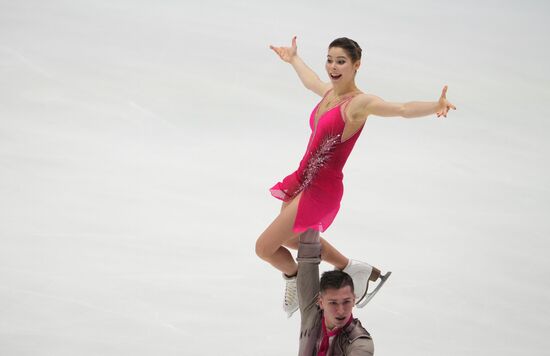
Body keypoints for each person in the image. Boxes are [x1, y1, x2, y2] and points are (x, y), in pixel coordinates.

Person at [255, 36, 456, 316]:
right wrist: (294, 59)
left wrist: (435, 106)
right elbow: (311, 80)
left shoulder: (359, 103)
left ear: (356, 65)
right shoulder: (329, 94)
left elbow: (400, 109)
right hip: (303, 179)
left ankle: (294, 278)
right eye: (329, 60)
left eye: (341, 61)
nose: (333, 67)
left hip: (322, 187)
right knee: (290, 240)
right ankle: (351, 267)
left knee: (264, 248)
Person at [296, 229, 374, 356]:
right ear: (320, 302)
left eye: (346, 301)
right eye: (333, 303)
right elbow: (307, 258)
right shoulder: (311, 311)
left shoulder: (359, 340)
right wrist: (312, 216)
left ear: (354, 300)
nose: (341, 310)